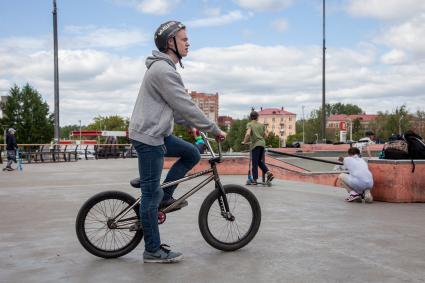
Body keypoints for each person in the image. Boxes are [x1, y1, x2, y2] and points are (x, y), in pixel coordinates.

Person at [128, 21, 226, 264]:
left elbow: (177, 109)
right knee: (150, 196)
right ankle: (152, 250)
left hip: (157, 133)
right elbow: (185, 104)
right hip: (149, 138)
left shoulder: (165, 70)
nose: (188, 43)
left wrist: (192, 127)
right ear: (170, 42)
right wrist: (212, 129)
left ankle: (164, 196)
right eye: (183, 39)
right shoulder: (163, 71)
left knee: (191, 153)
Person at [242, 110, 273, 185]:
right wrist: (260, 138)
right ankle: (268, 173)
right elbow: (266, 135)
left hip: (255, 145)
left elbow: (248, 134)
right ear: (257, 117)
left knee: (255, 163)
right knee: (259, 161)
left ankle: (255, 180)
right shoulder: (261, 125)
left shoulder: (250, 124)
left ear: (250, 117)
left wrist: (244, 141)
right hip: (262, 144)